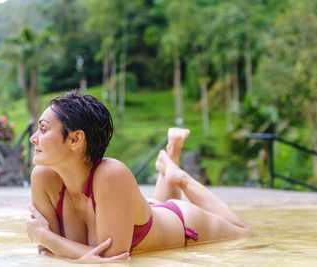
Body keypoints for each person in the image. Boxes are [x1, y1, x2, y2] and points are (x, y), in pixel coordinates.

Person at [26, 91, 253, 263]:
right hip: (142, 213)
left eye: (44, 129)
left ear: (75, 139)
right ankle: (170, 160)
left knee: (244, 234)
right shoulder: (43, 178)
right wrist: (48, 242)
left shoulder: (111, 174)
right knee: (154, 208)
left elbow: (113, 263)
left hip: (184, 224)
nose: (33, 138)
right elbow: (47, 255)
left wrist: (46, 237)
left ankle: (179, 176)